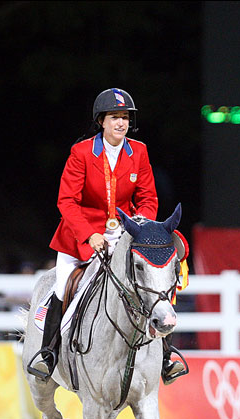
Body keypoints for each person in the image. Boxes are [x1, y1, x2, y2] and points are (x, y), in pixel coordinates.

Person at [27, 88, 187, 383]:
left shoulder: (138, 151)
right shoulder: (82, 153)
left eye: (125, 117)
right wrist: (89, 235)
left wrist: (140, 224)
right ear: (101, 121)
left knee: (150, 284)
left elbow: (148, 197)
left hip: (124, 235)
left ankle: (165, 356)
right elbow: (67, 201)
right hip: (81, 237)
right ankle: (49, 354)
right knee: (63, 287)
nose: (121, 123)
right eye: (115, 117)